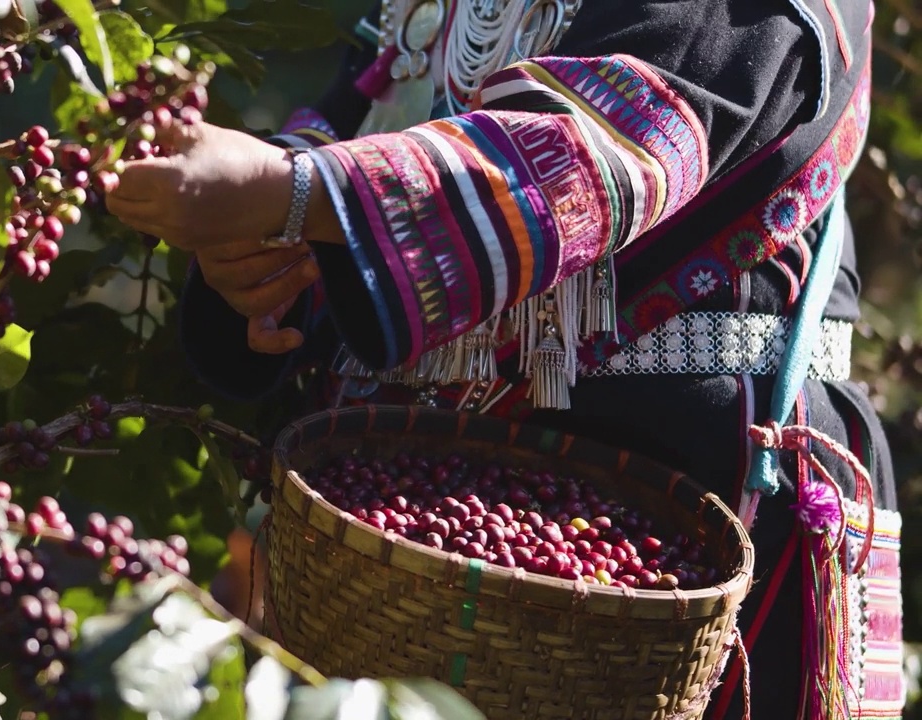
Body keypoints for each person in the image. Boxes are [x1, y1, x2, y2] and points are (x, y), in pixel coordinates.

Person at [105, 0, 905, 717]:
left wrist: (295, 191)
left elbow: (594, 153)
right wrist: (265, 252)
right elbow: (375, 110)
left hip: (683, 500)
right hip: (438, 526)